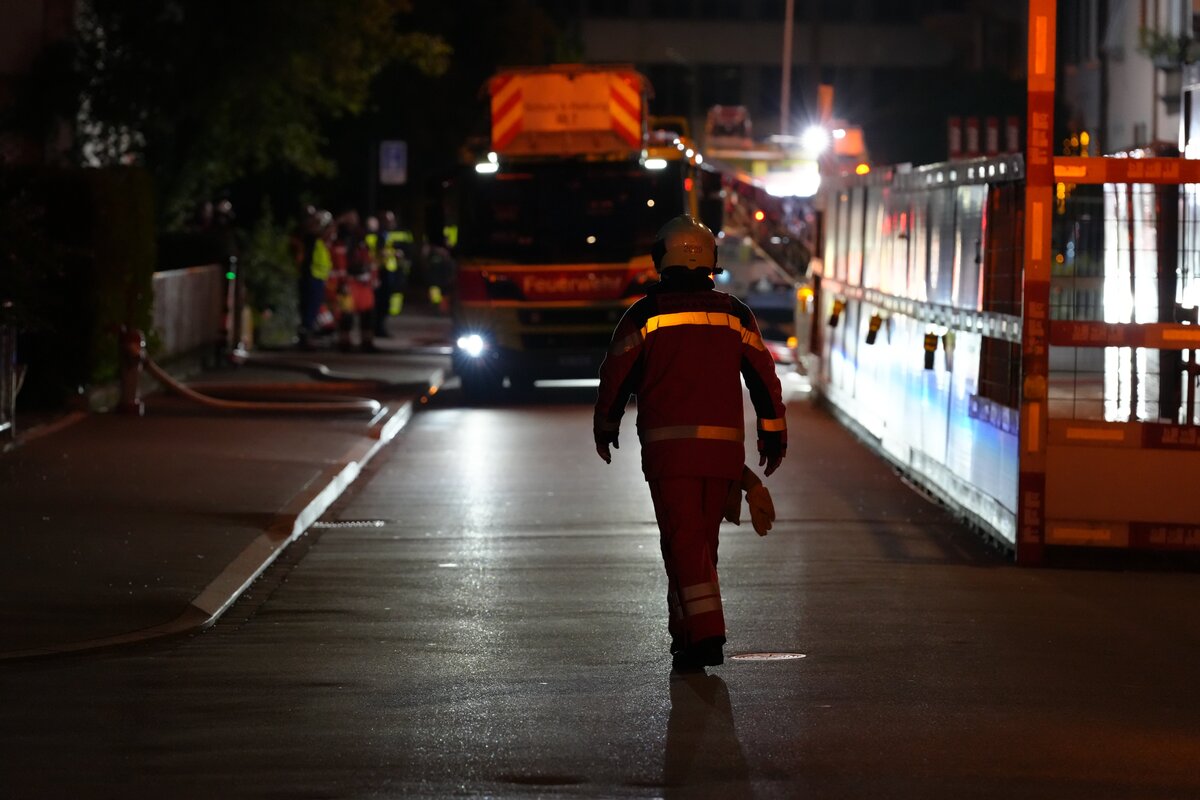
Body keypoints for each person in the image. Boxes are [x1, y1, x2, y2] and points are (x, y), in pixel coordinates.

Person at [593, 214, 786, 671]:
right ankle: (686, 638)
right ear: (710, 259)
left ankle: (707, 635)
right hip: (723, 454)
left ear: (661, 258)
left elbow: (616, 374)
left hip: (669, 452)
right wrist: (773, 431)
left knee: (682, 543)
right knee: (698, 545)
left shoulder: (644, 314)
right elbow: (763, 375)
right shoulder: (734, 313)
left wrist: (606, 424)